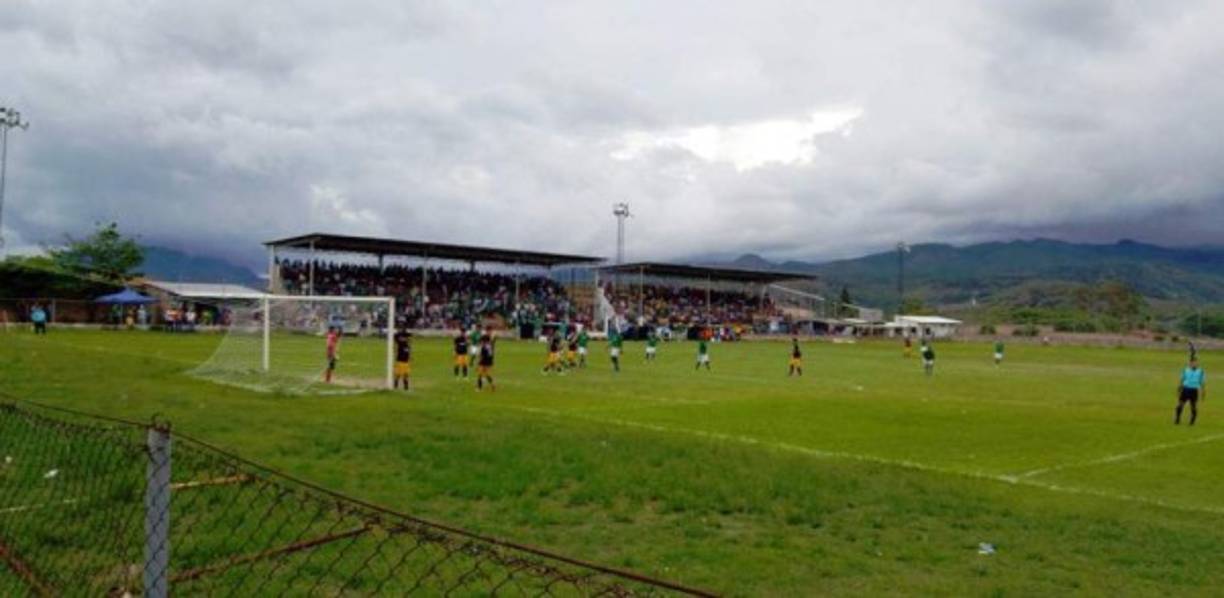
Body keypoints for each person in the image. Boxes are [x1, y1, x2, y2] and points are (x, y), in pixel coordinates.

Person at [1176, 357, 1206, 426]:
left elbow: (1202, 383)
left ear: (1197, 363)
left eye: (1195, 362)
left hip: (1194, 390)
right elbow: (1182, 379)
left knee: (1193, 406)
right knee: (1180, 405)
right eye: (1192, 363)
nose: (1194, 364)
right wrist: (1179, 388)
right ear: (1189, 363)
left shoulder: (1201, 372)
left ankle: (1192, 421)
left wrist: (1203, 391)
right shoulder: (1185, 370)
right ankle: (1177, 419)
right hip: (1185, 389)